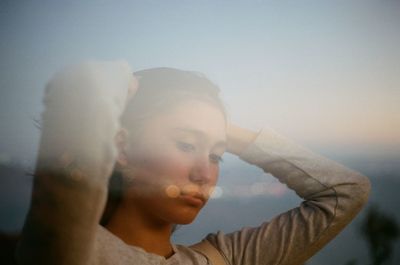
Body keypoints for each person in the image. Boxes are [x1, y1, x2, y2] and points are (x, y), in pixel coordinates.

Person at [15, 60, 371, 265]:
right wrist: (116, 85)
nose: (205, 173)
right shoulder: (72, 250)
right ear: (121, 148)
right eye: (185, 144)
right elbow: (84, 87)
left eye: (216, 155)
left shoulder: (226, 258)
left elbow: (345, 192)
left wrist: (217, 128)